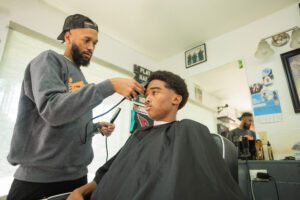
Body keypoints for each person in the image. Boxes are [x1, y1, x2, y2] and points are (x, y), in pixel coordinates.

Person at [6, 14, 144, 200]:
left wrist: (95, 128)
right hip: (38, 182)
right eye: (87, 40)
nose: (91, 47)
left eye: (95, 43)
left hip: (77, 178)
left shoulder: (81, 78)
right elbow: (53, 111)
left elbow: (70, 120)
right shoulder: (48, 60)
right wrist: (110, 85)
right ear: (68, 36)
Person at [67, 70, 246, 200]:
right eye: (146, 94)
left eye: (155, 92)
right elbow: (107, 172)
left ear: (176, 99)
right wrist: (80, 191)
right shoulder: (138, 135)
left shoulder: (189, 130)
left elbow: (198, 184)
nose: (147, 99)